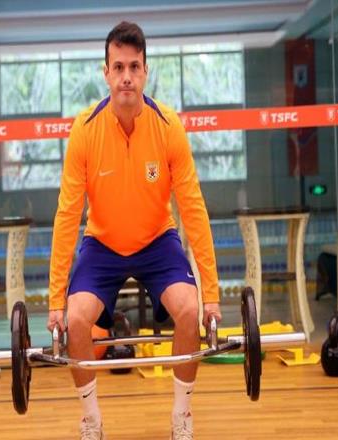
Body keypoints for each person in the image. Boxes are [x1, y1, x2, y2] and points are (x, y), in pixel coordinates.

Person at [48, 21, 222, 440]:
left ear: (146, 71)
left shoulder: (168, 127)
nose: (126, 76)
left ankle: (181, 416)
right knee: (76, 320)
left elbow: (193, 209)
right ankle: (91, 420)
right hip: (102, 244)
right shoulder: (84, 130)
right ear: (106, 72)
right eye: (118, 67)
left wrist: (213, 295)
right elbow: (67, 215)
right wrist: (55, 301)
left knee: (189, 311)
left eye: (134, 67)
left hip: (157, 242)